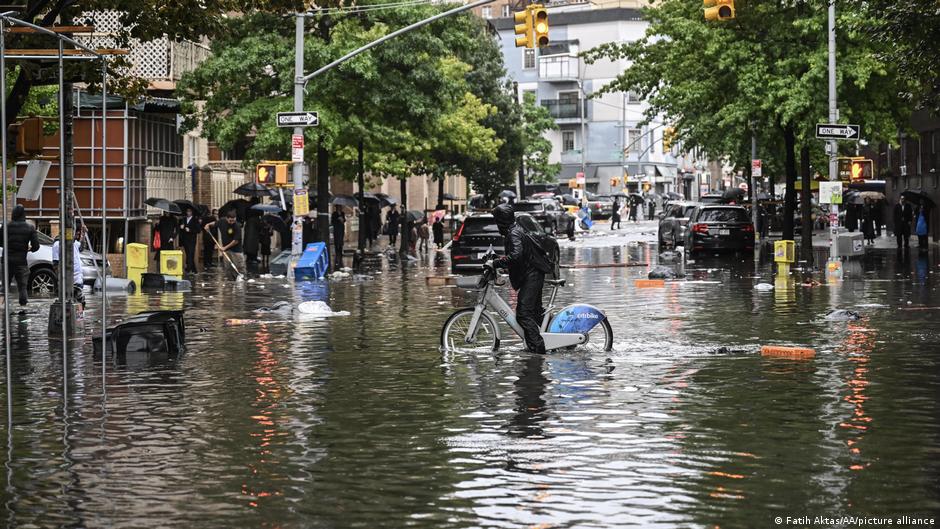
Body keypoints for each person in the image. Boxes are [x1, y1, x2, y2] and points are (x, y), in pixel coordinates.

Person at [491, 203, 546, 355]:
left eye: (497, 221)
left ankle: (539, 349)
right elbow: (516, 257)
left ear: (501, 221)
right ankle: (555, 335)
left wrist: (498, 262)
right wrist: (499, 259)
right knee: (535, 312)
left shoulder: (513, 233)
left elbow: (516, 255)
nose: (496, 224)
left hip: (532, 275)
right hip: (533, 273)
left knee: (523, 313)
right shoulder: (514, 230)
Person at [1, 205, 40, 307]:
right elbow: (36, 246)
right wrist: (29, 248)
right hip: (21, 262)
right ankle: (23, 308)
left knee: (5, 286)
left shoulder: (6, 226)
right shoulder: (30, 228)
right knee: (22, 287)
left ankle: (2, 307)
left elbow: (0, 241)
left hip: (7, 261)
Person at [52, 221, 86, 311]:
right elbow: (56, 265)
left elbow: (82, 247)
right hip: (68, 281)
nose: (77, 235)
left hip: (78, 278)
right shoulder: (58, 245)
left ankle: (78, 321)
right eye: (76, 232)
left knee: (80, 302)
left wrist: (83, 235)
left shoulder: (74, 243)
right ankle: (71, 321)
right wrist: (62, 281)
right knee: (70, 303)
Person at [204, 211, 245, 280]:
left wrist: (224, 247)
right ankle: (231, 282)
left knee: (239, 267)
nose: (232, 222)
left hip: (236, 251)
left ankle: (242, 280)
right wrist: (208, 225)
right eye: (230, 221)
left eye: (233, 220)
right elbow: (215, 223)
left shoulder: (237, 226)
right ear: (227, 218)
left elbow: (235, 241)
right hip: (226, 251)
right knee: (228, 268)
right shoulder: (222, 221)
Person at [179, 206, 201, 273]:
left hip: (192, 240)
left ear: (192, 212)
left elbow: (198, 230)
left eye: (189, 211)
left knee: (190, 253)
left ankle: (188, 269)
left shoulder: (195, 220)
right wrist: (181, 227)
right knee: (188, 254)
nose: (188, 212)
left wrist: (190, 230)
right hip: (185, 239)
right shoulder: (184, 219)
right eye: (187, 211)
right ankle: (194, 270)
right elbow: (180, 228)